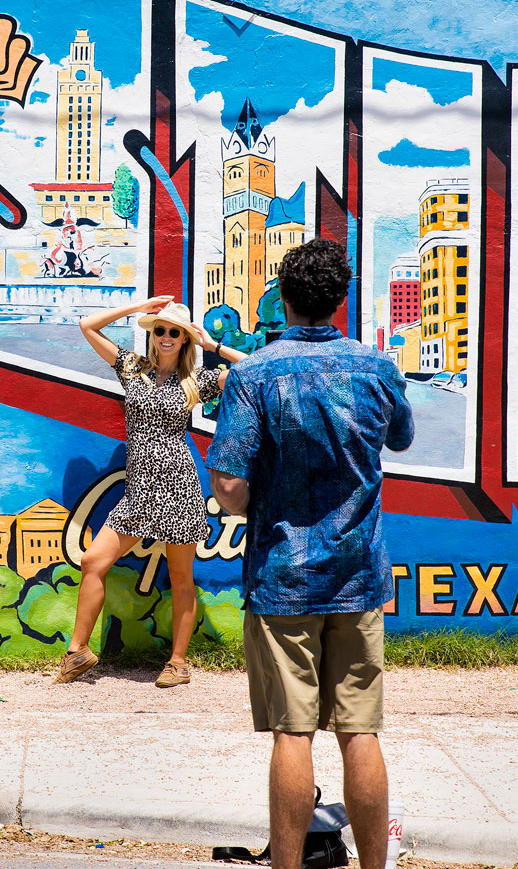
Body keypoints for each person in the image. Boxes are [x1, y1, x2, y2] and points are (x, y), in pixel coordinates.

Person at [205, 239, 414, 869]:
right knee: (360, 731)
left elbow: (228, 483)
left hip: (282, 579)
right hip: (358, 576)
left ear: (283, 298)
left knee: (292, 733)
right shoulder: (376, 368)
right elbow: (401, 439)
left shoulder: (254, 375)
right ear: (340, 299)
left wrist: (255, 506)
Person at [54, 296, 247, 687]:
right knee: (93, 562)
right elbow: (87, 326)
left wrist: (211, 345)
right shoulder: (133, 369)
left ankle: (177, 663)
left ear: (184, 338)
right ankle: (78, 651)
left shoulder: (197, 380)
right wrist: (138, 308)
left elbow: (255, 369)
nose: (166, 336)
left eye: (175, 331)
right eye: (160, 330)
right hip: (139, 490)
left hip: (179, 488)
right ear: (152, 333)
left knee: (180, 578)